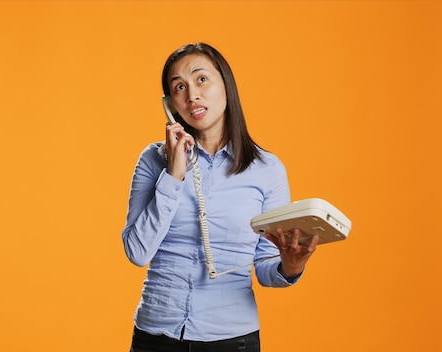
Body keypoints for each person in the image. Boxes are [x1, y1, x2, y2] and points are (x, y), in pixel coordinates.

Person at [121, 42, 319, 352]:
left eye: (201, 80)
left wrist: (289, 268)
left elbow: (266, 267)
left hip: (231, 340)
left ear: (226, 85)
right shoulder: (153, 160)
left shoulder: (267, 170)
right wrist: (174, 173)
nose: (191, 95)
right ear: (171, 105)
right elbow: (137, 251)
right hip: (155, 338)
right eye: (179, 88)